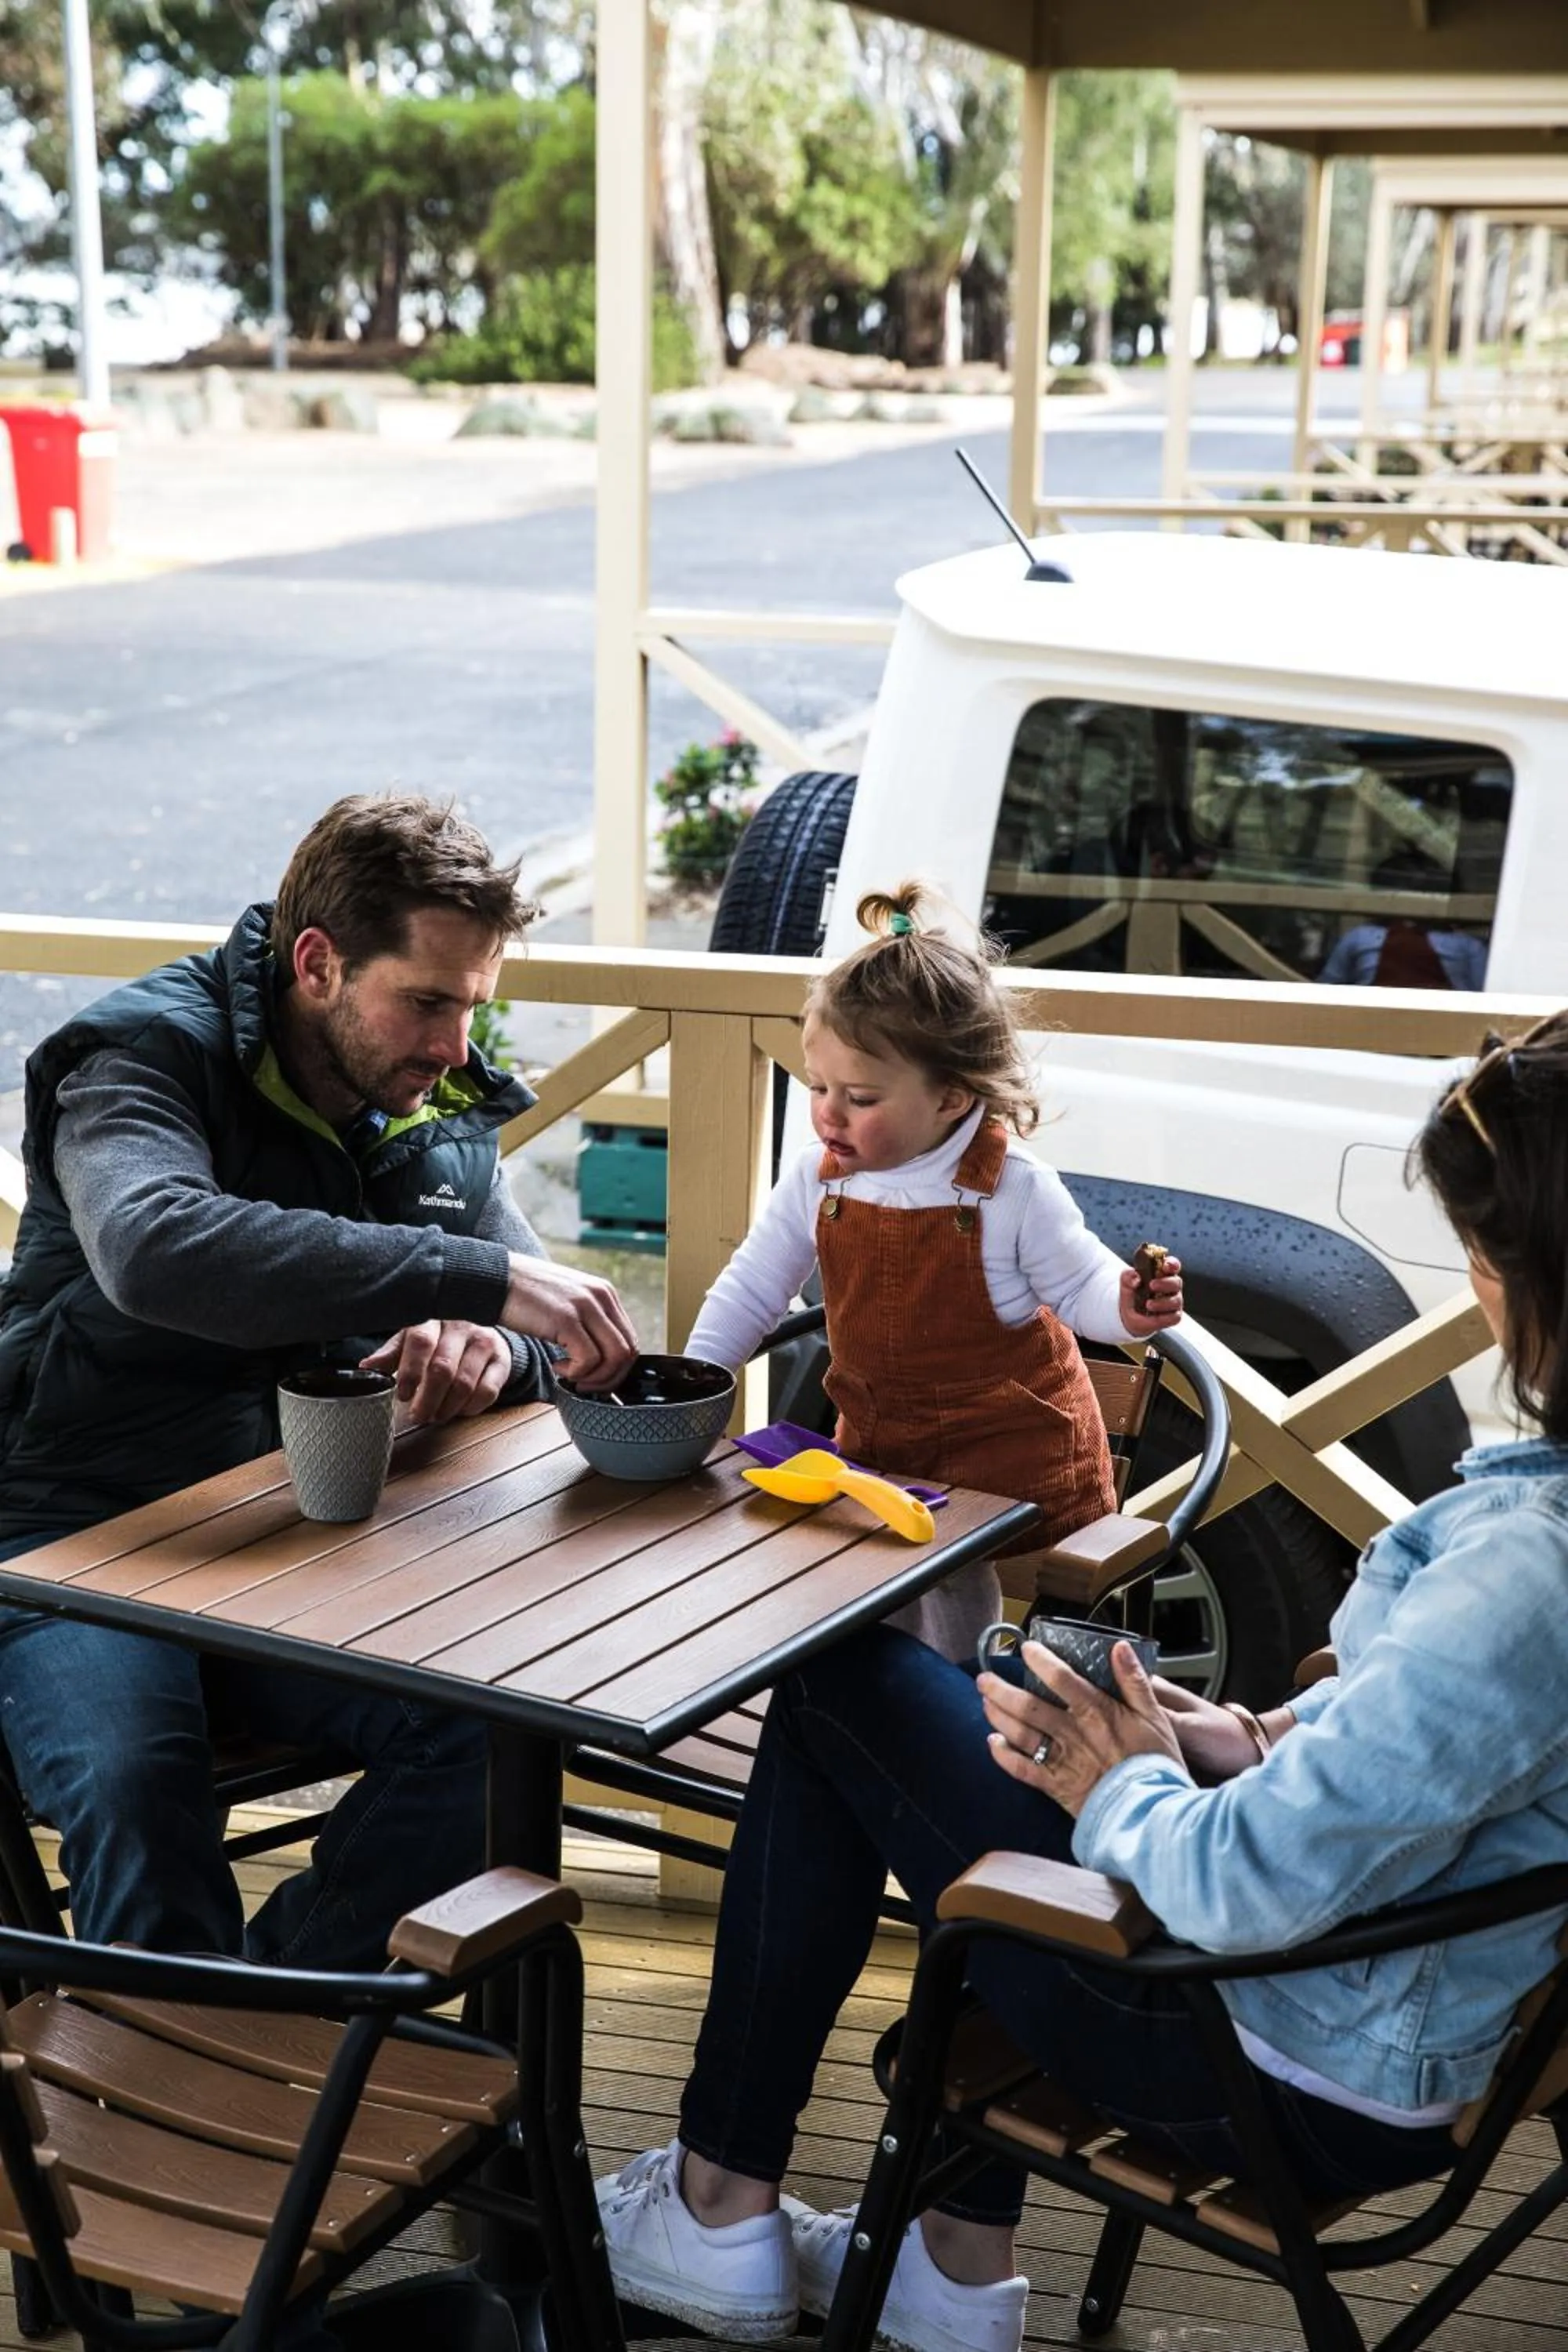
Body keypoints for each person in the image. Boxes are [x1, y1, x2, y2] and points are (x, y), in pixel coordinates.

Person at [596, 1010, 1568, 2352]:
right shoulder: (1536, 1553)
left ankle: (718, 2208)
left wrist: (1125, 1780)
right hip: (1362, 2011)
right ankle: (947, 2270)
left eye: (1481, 1251)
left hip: (1273, 2063)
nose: (1473, 1284)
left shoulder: (1530, 1577)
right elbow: (1453, 1763)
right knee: (1008, 1696)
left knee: (838, 1690)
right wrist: (1233, 1732)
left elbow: (1247, 1884)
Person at [0, 792, 638, 1969]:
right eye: (429, 1004)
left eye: (474, 1010)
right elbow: (153, 1247)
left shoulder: (426, 1104)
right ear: (318, 965)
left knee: (492, 1740)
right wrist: (469, 1280)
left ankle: (273, 2017)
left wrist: (496, 1345)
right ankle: (172, 2086)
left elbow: (545, 1325)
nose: (457, 1051)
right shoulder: (139, 1058)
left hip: (299, 1549)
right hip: (74, 1545)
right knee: (139, 1779)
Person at [688, 881, 1183, 1661]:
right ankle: (889, 1720)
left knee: (928, 1582)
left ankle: (936, 1712)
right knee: (799, 1582)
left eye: (859, 1097)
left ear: (951, 1096)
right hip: (880, 1464)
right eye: (817, 1087)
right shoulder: (817, 1179)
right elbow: (752, 1287)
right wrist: (693, 1386)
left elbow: (1082, 1288)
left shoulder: (1011, 1188)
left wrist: (1127, 1307)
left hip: (1011, 1472)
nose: (827, 1114)